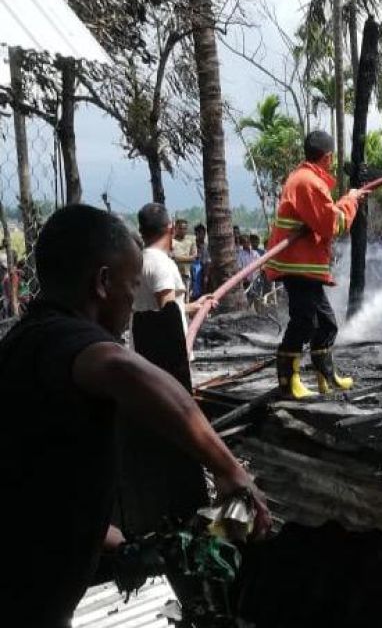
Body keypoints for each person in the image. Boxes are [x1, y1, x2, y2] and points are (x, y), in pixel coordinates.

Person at [0, 204, 270, 627]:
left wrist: (103, 535)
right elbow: (124, 369)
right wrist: (228, 469)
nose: (132, 301)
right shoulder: (69, 338)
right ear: (103, 283)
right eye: (131, 285)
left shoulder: (23, 343)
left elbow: (32, 466)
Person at [265, 130, 366, 398]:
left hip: (306, 267)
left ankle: (325, 375)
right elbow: (333, 224)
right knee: (304, 322)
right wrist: (351, 201)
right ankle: (288, 381)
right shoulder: (309, 183)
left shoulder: (306, 179)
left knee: (326, 324)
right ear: (328, 157)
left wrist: (346, 200)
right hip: (298, 267)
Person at [134, 203, 213, 351]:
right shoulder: (162, 264)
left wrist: (194, 307)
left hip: (145, 352)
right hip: (164, 358)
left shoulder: (138, 262)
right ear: (171, 229)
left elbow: (156, 308)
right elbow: (167, 317)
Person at [171, 217, 196, 298]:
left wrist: (178, 258)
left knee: (186, 298)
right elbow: (171, 257)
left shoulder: (190, 242)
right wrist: (187, 258)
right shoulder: (171, 242)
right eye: (181, 228)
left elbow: (194, 257)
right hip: (173, 275)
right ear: (176, 229)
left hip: (186, 275)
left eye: (185, 228)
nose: (183, 230)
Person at [192, 222, 210, 299]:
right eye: (200, 233)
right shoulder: (192, 245)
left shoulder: (207, 247)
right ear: (196, 233)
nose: (202, 235)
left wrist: (206, 276)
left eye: (204, 233)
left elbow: (208, 261)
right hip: (193, 274)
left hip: (204, 273)